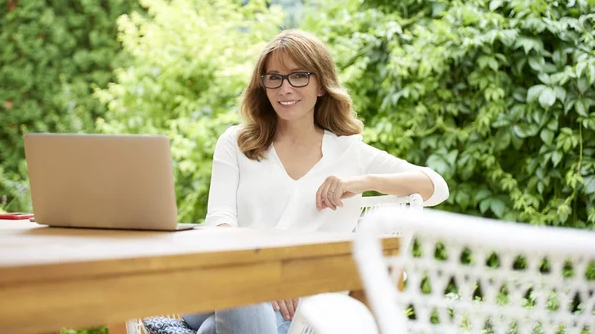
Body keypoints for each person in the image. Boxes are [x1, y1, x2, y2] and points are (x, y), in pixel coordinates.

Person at [183, 29, 449, 334]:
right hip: (237, 278)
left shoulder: (349, 153)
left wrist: (362, 182)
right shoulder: (236, 142)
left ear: (321, 85)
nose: (285, 89)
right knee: (243, 292)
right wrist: (264, 279)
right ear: (263, 85)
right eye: (274, 77)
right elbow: (220, 222)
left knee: (212, 328)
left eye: (298, 76)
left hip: (304, 310)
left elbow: (435, 186)